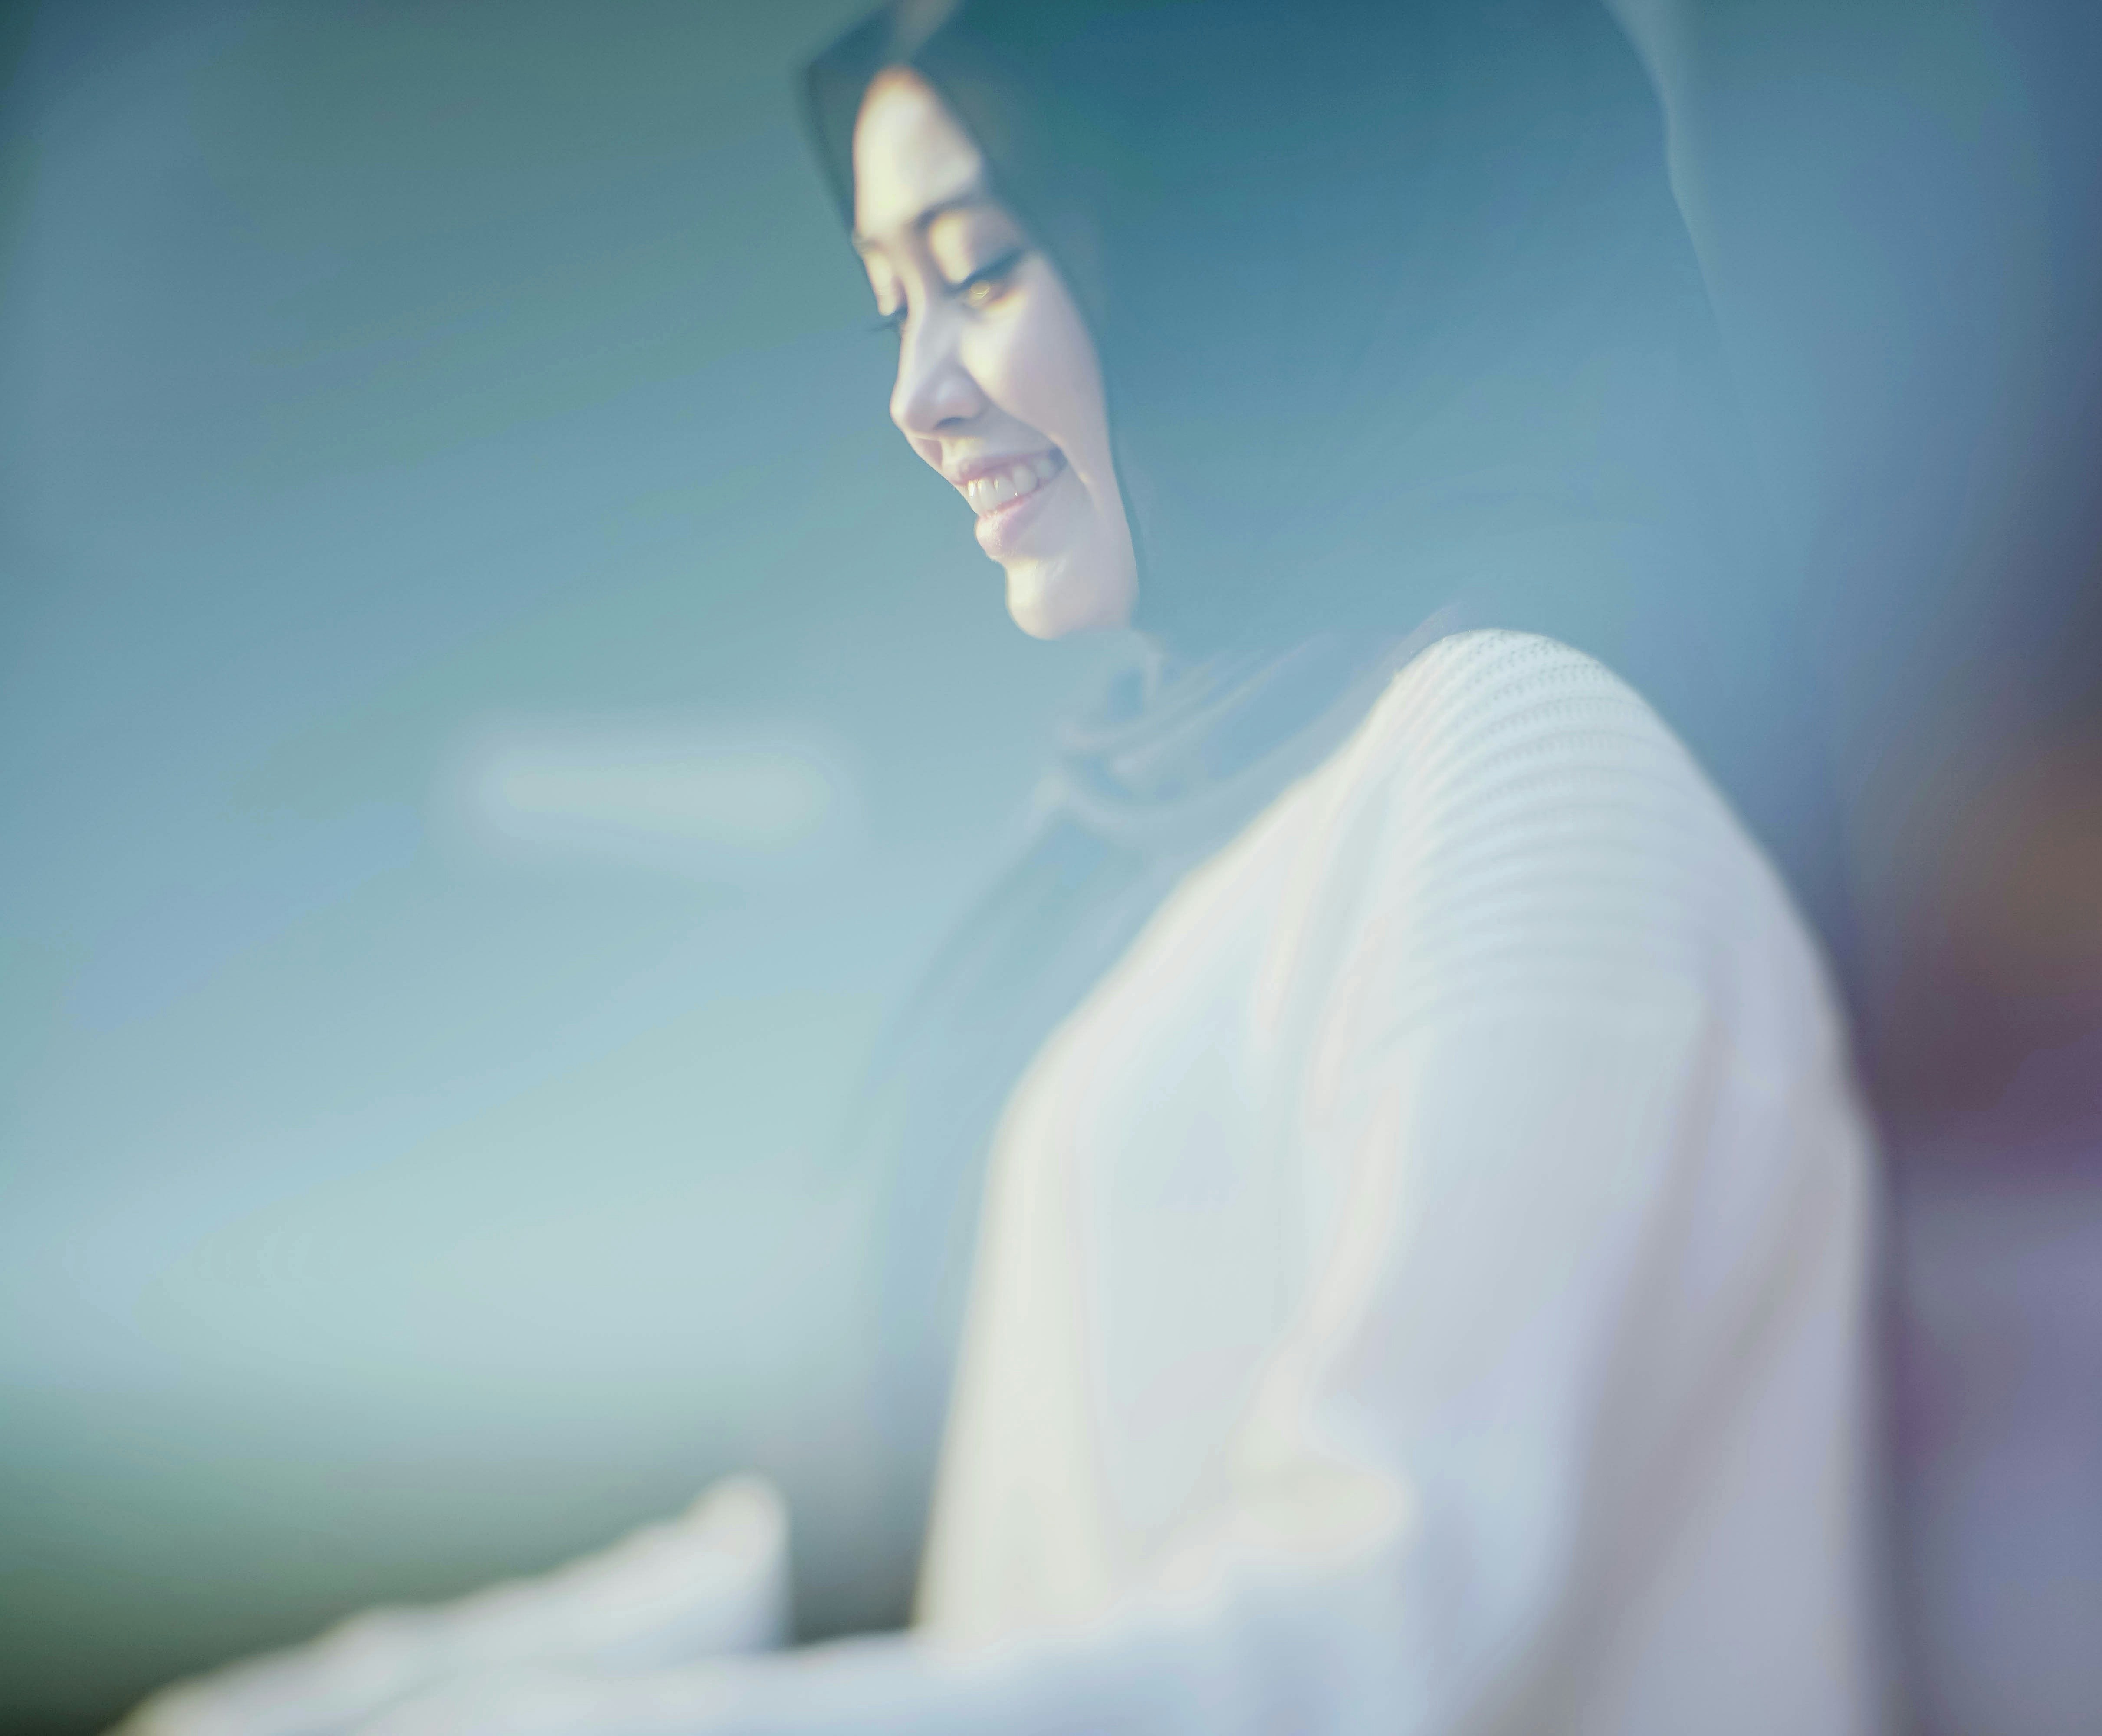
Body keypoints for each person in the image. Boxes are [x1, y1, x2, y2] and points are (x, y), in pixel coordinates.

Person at [120, 3, 1882, 1730]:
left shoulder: (1528, 755)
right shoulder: (1189, 801)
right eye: (892, 300)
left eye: (982, 272)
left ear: (1284, 221)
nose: (918, 394)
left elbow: (1385, 1635)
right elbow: (904, 1528)